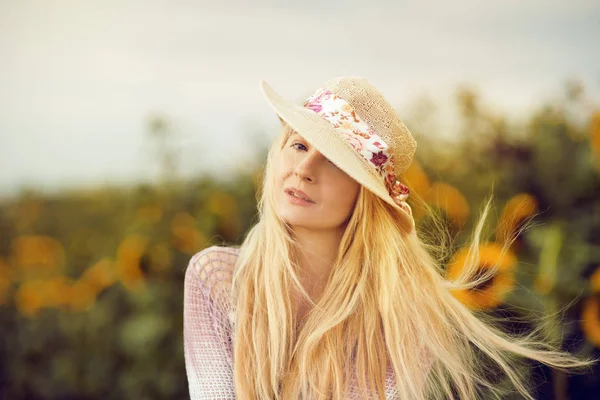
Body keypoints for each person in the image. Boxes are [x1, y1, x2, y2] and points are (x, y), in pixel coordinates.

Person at [183, 76, 595, 399]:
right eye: (298, 145)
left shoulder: (401, 316)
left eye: (334, 160)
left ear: (367, 196)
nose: (304, 168)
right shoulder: (217, 277)